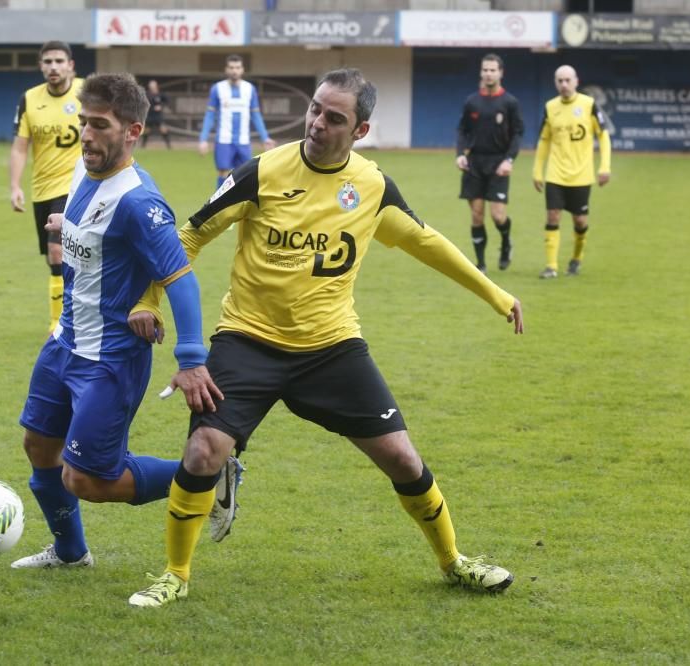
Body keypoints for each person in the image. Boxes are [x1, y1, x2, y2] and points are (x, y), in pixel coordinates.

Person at [127, 68, 524, 608]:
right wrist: (149, 299)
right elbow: (191, 234)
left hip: (332, 349)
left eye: (334, 117)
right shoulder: (262, 171)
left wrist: (495, 294)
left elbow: (425, 242)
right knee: (202, 452)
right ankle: (174, 574)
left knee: (404, 460)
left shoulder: (373, 186)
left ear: (360, 130)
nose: (317, 123)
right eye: (315, 109)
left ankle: (454, 561)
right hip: (248, 339)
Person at [10, 73, 230, 570]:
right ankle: (71, 554)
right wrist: (64, 225)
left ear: (132, 131)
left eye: (100, 125)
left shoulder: (139, 202)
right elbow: (96, 235)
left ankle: (208, 477)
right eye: (84, 122)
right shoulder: (82, 169)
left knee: (84, 479)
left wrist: (191, 358)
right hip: (65, 342)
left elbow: (182, 279)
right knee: (38, 448)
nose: (87, 135)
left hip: (110, 360)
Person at [9, 41, 84, 333]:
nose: (53, 67)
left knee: (57, 251)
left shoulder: (86, 92)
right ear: (41, 66)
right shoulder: (29, 99)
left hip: (78, 186)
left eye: (59, 61)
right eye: (48, 61)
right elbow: (19, 148)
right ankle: (72, 312)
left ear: (70, 65)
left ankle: (59, 324)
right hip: (43, 188)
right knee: (56, 260)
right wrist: (15, 186)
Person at [532, 65, 612, 279]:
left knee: (580, 222)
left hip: (581, 176)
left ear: (576, 81)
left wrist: (604, 167)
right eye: (560, 81)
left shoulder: (589, 105)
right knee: (553, 216)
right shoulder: (550, 107)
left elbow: (603, 136)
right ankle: (551, 266)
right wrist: (537, 171)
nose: (564, 84)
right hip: (556, 174)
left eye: (568, 80)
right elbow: (544, 140)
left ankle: (576, 258)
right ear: (555, 83)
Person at [455, 53, 524, 274]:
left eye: (493, 70)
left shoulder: (510, 102)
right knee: (476, 214)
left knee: (497, 216)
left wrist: (509, 159)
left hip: (498, 163)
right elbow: (462, 130)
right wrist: (460, 154)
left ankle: (506, 243)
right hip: (474, 163)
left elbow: (518, 133)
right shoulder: (472, 101)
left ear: (501, 73)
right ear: (481, 72)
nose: (488, 73)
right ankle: (481, 264)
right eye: (485, 69)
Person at [198, 54, 276, 189]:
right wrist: (203, 139)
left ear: (242, 70)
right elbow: (210, 115)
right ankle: (219, 205)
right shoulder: (217, 89)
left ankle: (241, 206)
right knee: (223, 172)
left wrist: (265, 138)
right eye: (231, 67)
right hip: (223, 139)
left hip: (243, 141)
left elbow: (256, 115)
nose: (234, 70)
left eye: (238, 67)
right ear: (226, 69)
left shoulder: (250, 89)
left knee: (245, 174)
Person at [141, 79, 171, 150]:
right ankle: (143, 145)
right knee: (147, 130)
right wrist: (152, 108)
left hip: (158, 115)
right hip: (150, 115)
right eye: (151, 86)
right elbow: (144, 104)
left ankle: (168, 145)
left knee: (163, 129)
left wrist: (161, 106)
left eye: (153, 85)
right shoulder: (147, 95)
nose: (152, 87)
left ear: (156, 86)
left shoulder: (161, 94)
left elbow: (167, 102)